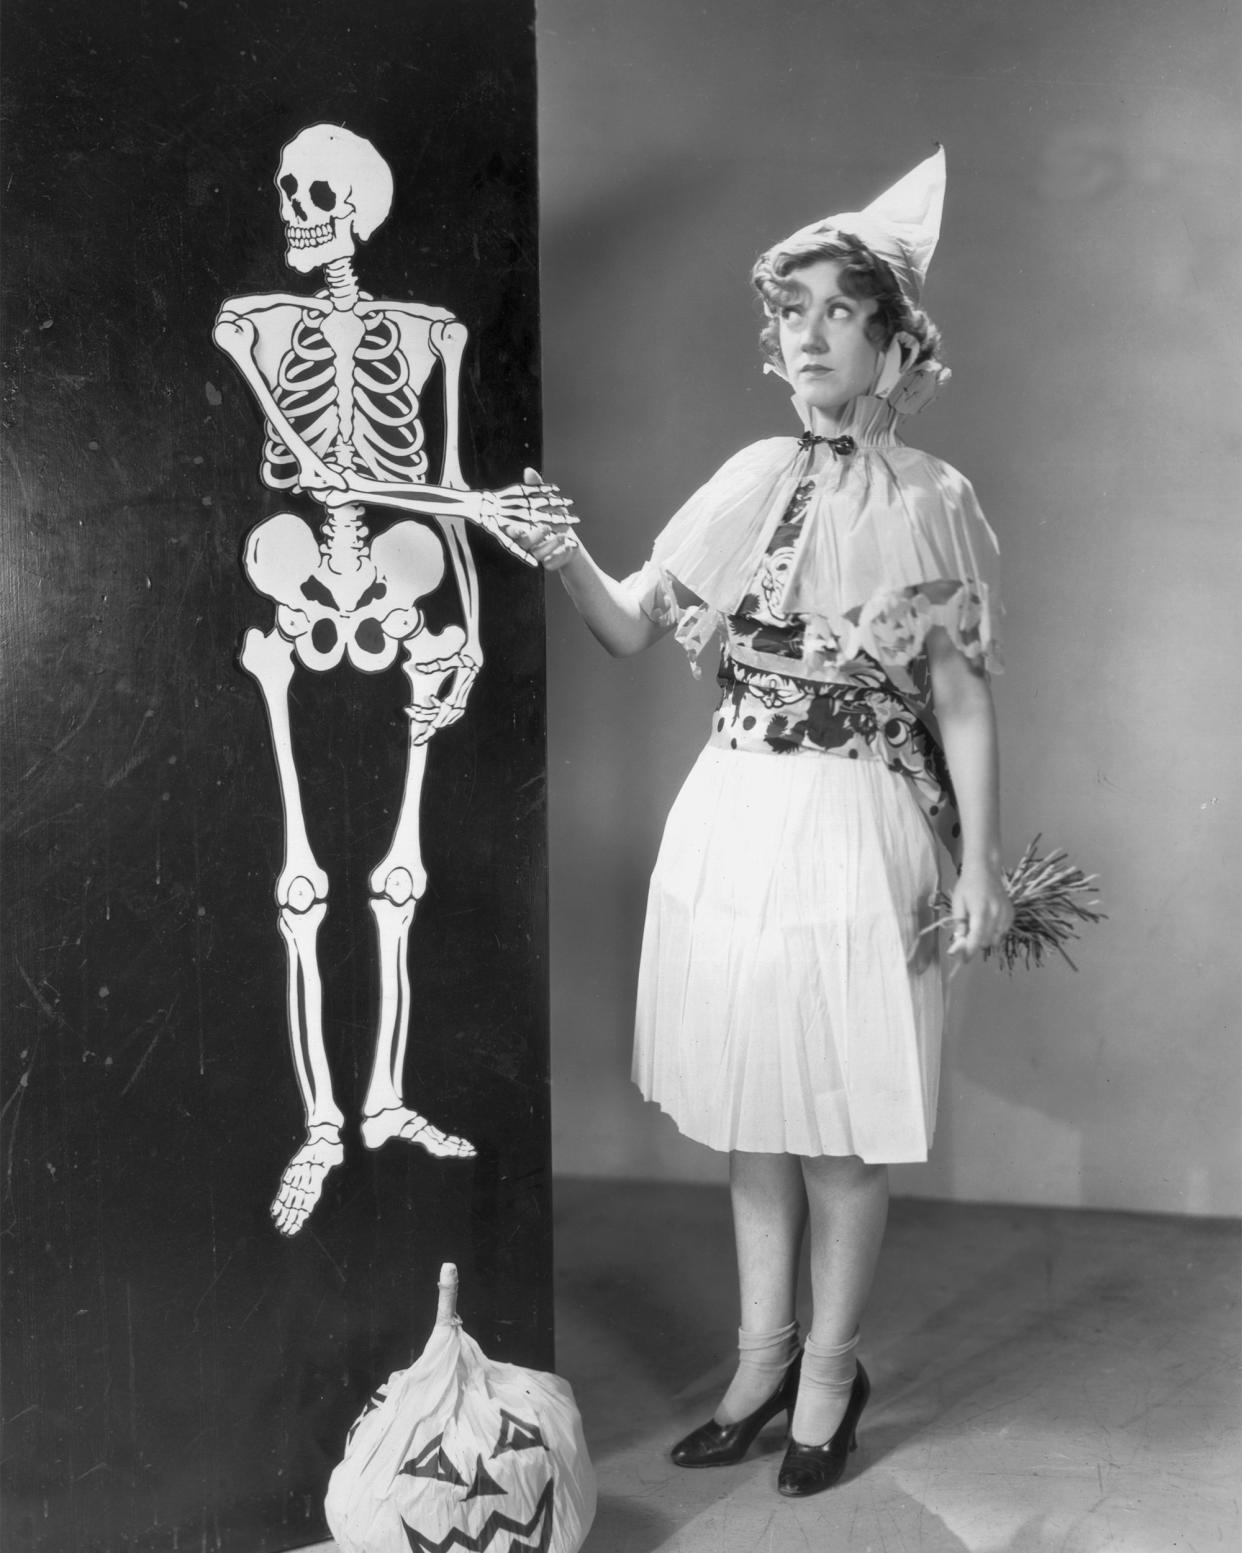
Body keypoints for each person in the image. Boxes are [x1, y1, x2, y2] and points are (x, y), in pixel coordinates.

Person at [514, 147, 1013, 1498]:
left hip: (856, 828)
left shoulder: (930, 503)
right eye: (785, 315)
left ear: (893, 341)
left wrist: (977, 864)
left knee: (839, 1127)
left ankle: (832, 1377)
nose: (800, 338)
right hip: (736, 816)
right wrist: (562, 548)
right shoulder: (747, 481)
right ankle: (756, 1361)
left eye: (831, 313)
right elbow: (626, 624)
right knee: (752, 1117)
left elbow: (958, 701)